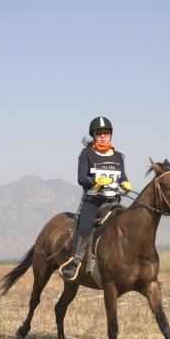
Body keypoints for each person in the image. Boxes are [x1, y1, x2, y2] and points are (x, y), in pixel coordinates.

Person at [60, 116, 131, 280]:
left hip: (113, 201)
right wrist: (95, 182)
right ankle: (75, 261)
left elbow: (122, 176)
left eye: (106, 133)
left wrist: (125, 183)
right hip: (93, 201)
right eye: (99, 134)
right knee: (84, 225)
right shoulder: (87, 153)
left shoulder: (118, 156)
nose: (103, 136)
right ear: (93, 135)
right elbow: (81, 178)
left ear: (110, 135)